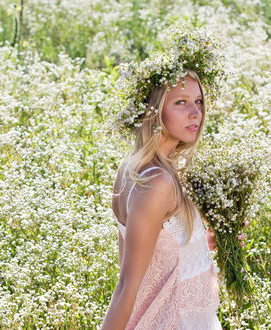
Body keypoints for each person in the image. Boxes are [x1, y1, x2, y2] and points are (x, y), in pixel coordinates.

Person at [100, 68, 223, 329]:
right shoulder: (157, 182)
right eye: (181, 102)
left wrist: (207, 240)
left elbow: (160, 247)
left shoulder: (139, 167)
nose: (196, 113)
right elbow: (126, 286)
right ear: (153, 111)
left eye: (198, 101)